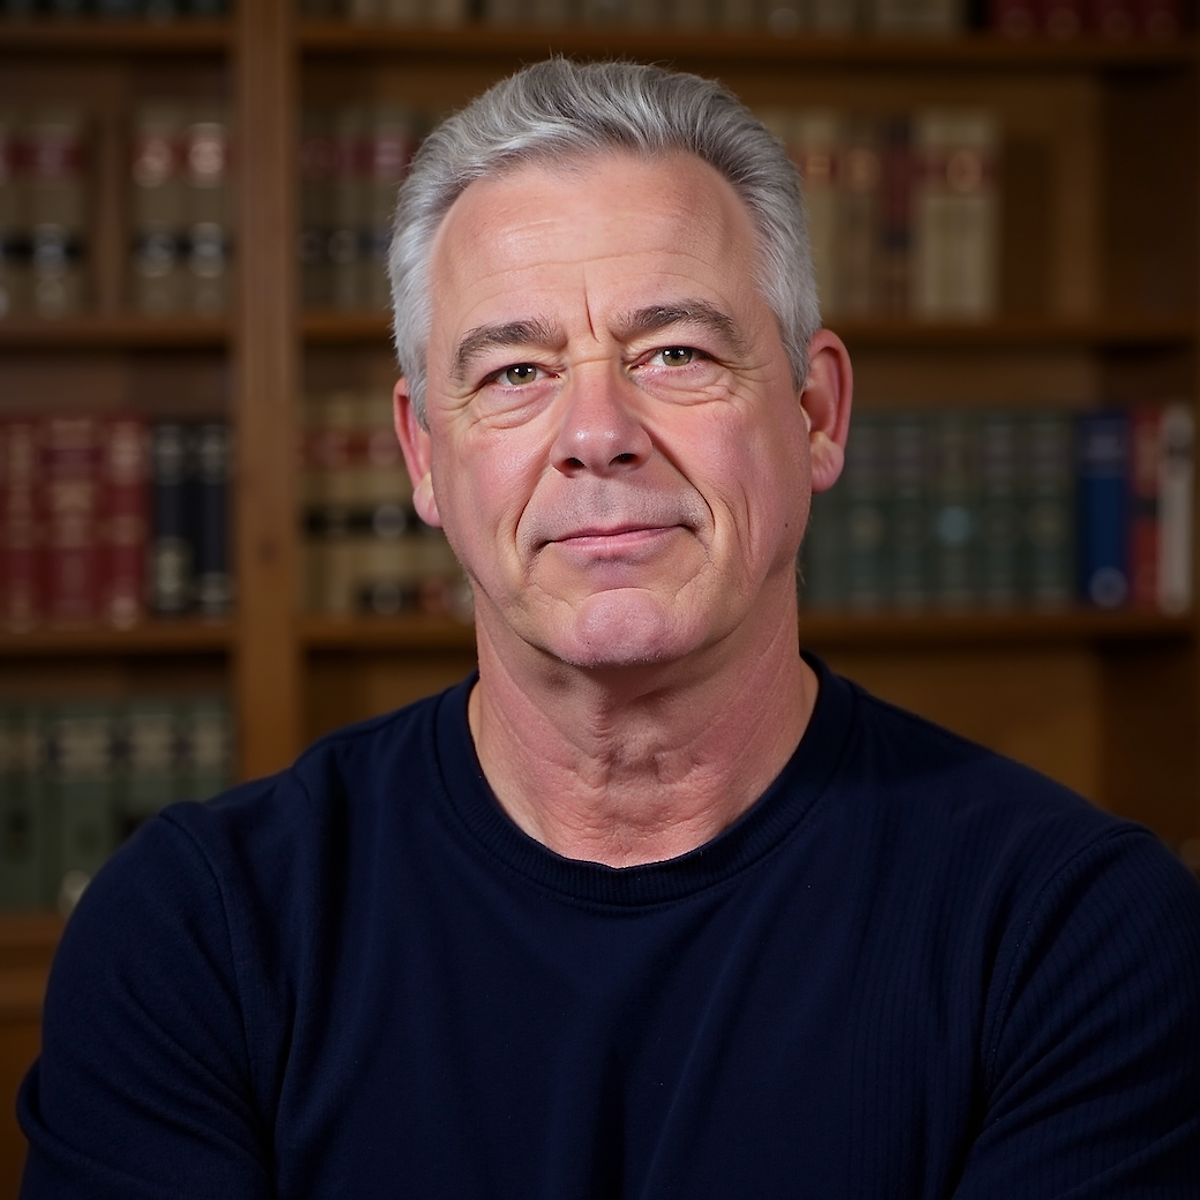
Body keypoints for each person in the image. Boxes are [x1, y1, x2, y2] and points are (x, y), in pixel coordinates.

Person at [18, 59, 1200, 1198]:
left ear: (817, 413)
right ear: (426, 454)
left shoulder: (1080, 938)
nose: (597, 431)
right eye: (517, 372)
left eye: (674, 353)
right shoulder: (196, 936)